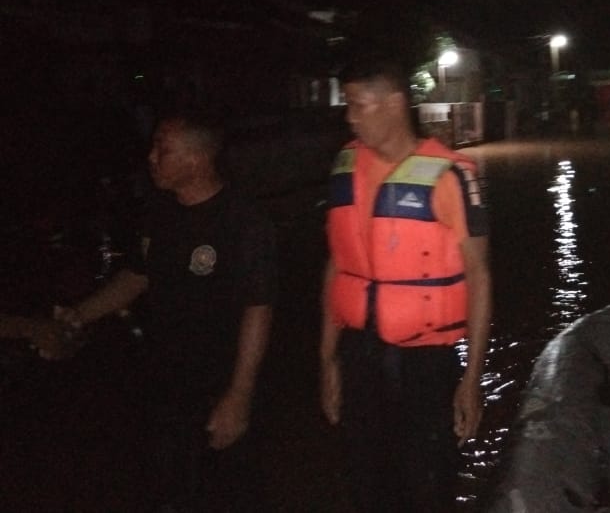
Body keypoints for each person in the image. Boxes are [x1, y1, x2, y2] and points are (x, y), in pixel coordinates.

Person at [54, 111, 277, 512]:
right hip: (167, 386)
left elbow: (258, 307)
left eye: (163, 149)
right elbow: (139, 277)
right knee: (168, 490)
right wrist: (79, 314)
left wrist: (239, 396)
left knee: (230, 493)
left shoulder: (243, 221)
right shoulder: (160, 214)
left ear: (196, 159)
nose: (152, 157)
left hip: (219, 386)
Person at [320, 59, 492, 513]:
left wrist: (471, 378)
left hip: (426, 361)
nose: (349, 117)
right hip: (359, 351)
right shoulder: (345, 165)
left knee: (429, 480)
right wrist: (327, 358)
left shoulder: (450, 176)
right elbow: (339, 264)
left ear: (394, 104)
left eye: (358, 105)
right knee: (364, 478)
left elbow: (479, 275)